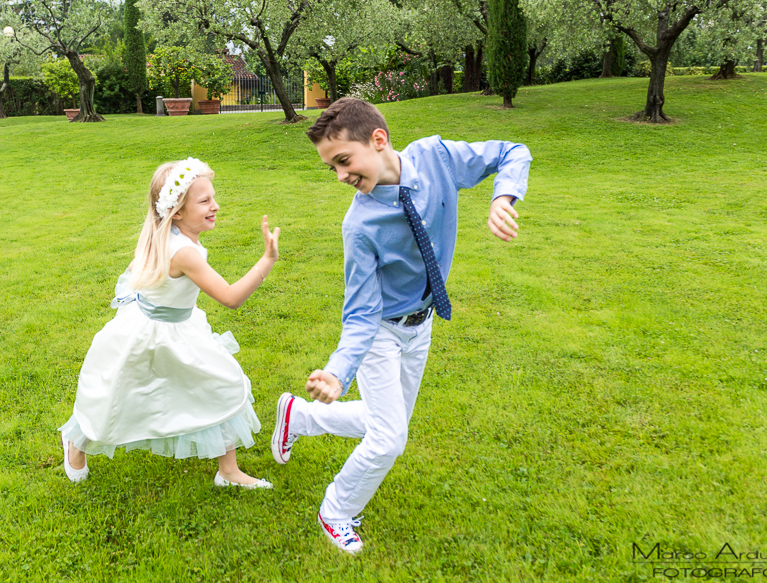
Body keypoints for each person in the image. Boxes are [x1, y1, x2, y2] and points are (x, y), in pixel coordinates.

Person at [271, 98, 532, 553]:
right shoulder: (360, 225)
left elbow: (513, 151)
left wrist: (502, 197)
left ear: (378, 140)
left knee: (385, 422)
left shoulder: (437, 158)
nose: (340, 176)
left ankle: (301, 417)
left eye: (343, 161)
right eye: (331, 168)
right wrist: (338, 370)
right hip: (381, 335)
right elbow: (360, 311)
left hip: (422, 324)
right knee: (389, 439)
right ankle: (335, 509)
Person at [59, 158, 280, 489]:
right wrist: (267, 260)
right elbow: (231, 298)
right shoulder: (183, 252)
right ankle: (75, 445)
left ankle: (228, 470)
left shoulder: (167, 233)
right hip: (151, 335)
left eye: (213, 197)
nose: (215, 206)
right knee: (116, 398)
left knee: (220, 383)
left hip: (174, 325)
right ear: (176, 211)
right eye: (204, 201)